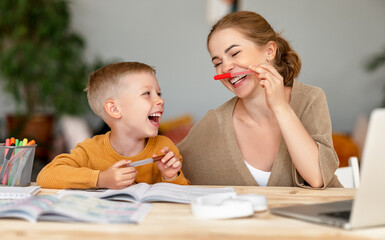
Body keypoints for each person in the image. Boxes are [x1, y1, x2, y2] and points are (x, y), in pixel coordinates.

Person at [178, 11, 341, 188]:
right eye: (217, 63)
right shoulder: (214, 122)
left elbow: (317, 178)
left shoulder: (310, 99)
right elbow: (169, 167)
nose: (225, 67)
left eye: (235, 53)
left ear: (269, 51)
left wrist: (280, 107)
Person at [37, 62, 190, 189]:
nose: (160, 101)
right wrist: (101, 179)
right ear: (114, 109)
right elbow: (46, 176)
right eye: (147, 94)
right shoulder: (90, 150)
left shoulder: (164, 148)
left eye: (159, 94)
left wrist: (171, 176)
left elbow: (183, 197)